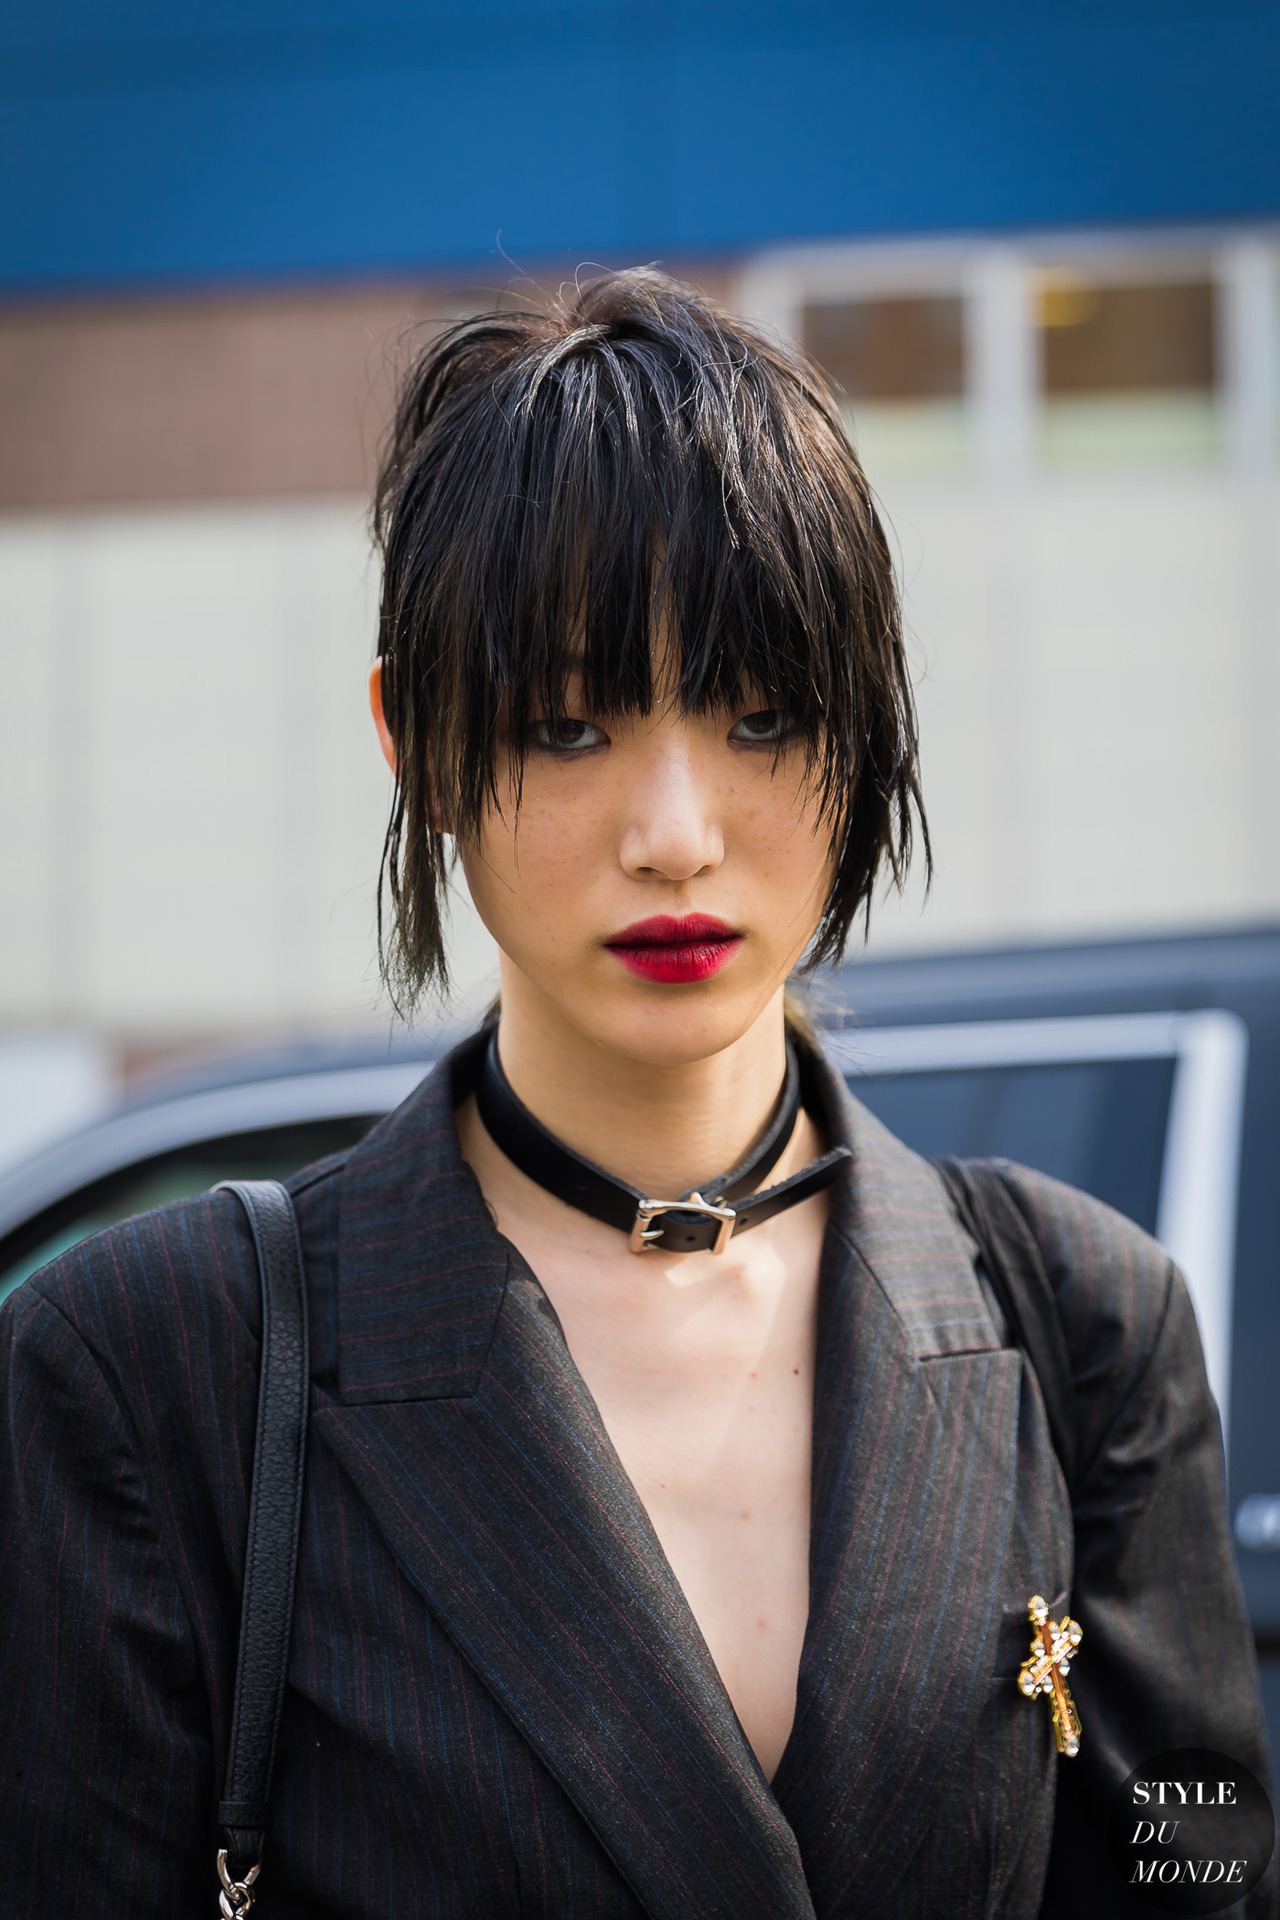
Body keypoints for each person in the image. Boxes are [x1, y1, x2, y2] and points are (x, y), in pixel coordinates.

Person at [0, 269, 1273, 1920]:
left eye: (758, 714)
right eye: (566, 722)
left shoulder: (1088, 1330)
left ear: (868, 721)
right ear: (417, 742)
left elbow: (1203, 1879)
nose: (675, 831)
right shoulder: (150, 1376)